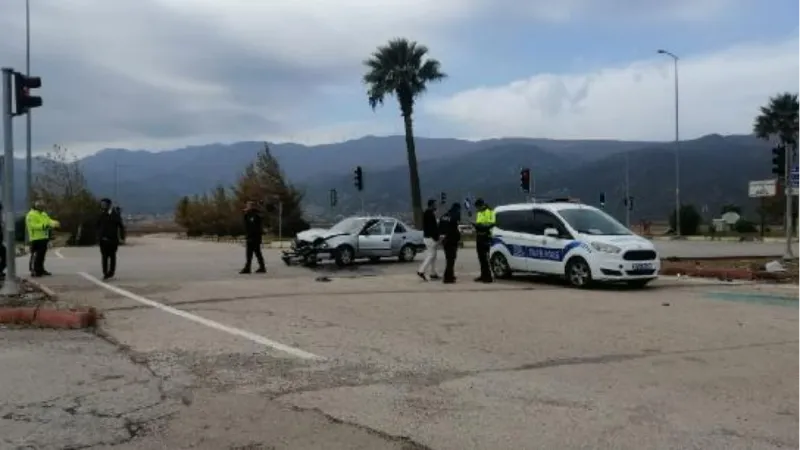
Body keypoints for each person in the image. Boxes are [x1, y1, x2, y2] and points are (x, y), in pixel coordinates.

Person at [26, 200, 59, 277]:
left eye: (43, 207)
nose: (43, 208)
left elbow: (48, 221)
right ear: (37, 207)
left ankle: (41, 269)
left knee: (41, 255)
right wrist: (44, 226)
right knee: (35, 255)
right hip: (35, 238)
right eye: (41, 207)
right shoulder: (31, 215)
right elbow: (33, 225)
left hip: (44, 237)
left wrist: (54, 223)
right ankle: (34, 270)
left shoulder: (43, 214)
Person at [97, 198, 126, 280]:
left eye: (104, 204)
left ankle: (111, 271)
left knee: (112, 256)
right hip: (103, 239)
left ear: (109, 205)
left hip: (113, 239)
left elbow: (121, 226)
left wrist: (122, 237)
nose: (103, 205)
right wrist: (98, 235)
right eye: (102, 204)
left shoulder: (115, 214)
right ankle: (105, 272)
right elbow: (97, 225)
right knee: (104, 256)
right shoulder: (101, 214)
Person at [472, 198, 495, 283]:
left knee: (485, 258)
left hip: (486, 236)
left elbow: (492, 224)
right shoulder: (479, 213)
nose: (477, 209)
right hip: (479, 236)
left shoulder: (490, 212)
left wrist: (481, 226)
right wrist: (476, 225)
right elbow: (479, 223)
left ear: (482, 205)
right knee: (481, 258)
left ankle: (488, 277)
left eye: (478, 207)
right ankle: (483, 275)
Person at [417, 199, 440, 281]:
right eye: (435, 204)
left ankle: (433, 273)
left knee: (433, 256)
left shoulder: (428, 213)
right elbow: (432, 228)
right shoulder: (429, 214)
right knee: (431, 255)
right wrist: (436, 237)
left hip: (428, 237)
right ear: (431, 205)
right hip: (430, 238)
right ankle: (421, 271)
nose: (436, 206)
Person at [240, 200, 266, 274]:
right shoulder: (250, 214)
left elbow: (253, 227)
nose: (246, 207)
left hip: (253, 237)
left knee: (251, 253)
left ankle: (248, 268)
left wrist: (250, 236)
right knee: (256, 253)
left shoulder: (254, 215)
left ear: (251, 207)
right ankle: (261, 267)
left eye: (248, 206)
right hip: (252, 237)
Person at [439, 203, 462, 284]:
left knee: (449, 259)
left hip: (445, 240)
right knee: (451, 260)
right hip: (452, 240)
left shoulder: (443, 216)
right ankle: (448, 278)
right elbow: (455, 228)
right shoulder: (455, 215)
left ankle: (450, 275)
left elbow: (440, 228)